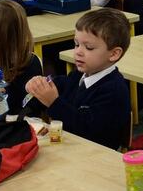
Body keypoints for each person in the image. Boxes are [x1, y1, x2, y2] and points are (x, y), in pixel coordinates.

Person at [23, 9, 131, 150]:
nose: (78, 51)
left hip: (95, 157)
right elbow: (47, 93)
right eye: (76, 44)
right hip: (69, 149)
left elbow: (88, 132)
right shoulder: (77, 76)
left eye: (89, 47)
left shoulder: (114, 90)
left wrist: (54, 102)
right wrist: (35, 88)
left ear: (114, 54)